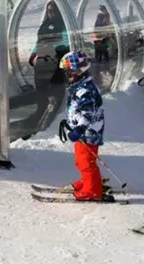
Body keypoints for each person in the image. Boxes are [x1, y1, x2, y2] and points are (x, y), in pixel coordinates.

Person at [58, 50, 107, 201]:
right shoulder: (79, 86)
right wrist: (73, 122)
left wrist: (80, 128)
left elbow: (88, 113)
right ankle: (87, 181)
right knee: (81, 161)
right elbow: (77, 109)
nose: (66, 75)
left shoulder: (85, 90)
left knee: (86, 162)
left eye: (68, 72)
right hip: (84, 132)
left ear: (78, 71)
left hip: (88, 132)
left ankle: (92, 190)